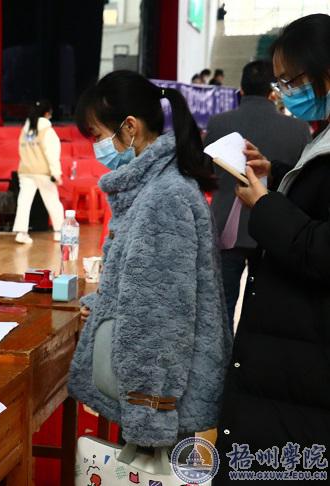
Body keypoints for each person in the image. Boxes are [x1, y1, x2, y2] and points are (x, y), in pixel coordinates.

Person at [68, 70, 232, 447]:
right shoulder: (157, 186)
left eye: (98, 135)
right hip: (165, 391)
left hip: (162, 402)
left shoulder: (163, 197)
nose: (97, 147)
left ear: (130, 127)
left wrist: (149, 411)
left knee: (153, 469)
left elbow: (159, 318)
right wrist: (106, 304)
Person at [214, 14, 330, 483]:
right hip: (291, 353)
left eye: (293, 80)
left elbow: (320, 247)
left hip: (308, 356)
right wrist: (278, 173)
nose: (286, 92)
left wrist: (263, 204)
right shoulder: (318, 132)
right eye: (280, 83)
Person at [205, 60, 310, 330]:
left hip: (225, 229)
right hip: (274, 229)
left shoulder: (218, 123)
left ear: (240, 90)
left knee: (222, 307)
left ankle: (223, 356)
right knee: (263, 309)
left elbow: (206, 173)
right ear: (273, 92)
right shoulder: (298, 129)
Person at [12, 99, 65, 244]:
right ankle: (59, 233)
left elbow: (20, 150)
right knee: (53, 201)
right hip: (43, 172)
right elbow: (52, 154)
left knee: (24, 202)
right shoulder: (47, 131)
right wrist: (56, 173)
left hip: (25, 170)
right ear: (47, 113)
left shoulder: (25, 130)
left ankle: (21, 233)